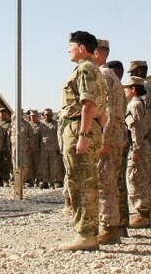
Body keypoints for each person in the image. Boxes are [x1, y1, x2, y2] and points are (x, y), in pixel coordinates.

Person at [58, 30, 106, 251]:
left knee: (82, 183)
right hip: (84, 127)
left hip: (80, 127)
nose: (68, 50)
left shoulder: (86, 69)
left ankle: (86, 235)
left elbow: (88, 104)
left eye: (72, 46)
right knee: (83, 180)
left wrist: (84, 135)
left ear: (82, 48)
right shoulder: (91, 69)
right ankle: (87, 233)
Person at [92, 40, 127, 245]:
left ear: (97, 54)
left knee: (104, 183)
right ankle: (113, 225)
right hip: (115, 138)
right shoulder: (113, 77)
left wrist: (102, 140)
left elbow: (108, 112)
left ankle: (108, 227)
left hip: (107, 139)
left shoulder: (103, 77)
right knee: (112, 182)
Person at [125, 77, 151, 227]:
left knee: (135, 179)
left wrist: (135, 148)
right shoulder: (144, 104)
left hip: (139, 146)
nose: (125, 91)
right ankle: (144, 212)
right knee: (143, 178)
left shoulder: (134, 105)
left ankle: (141, 214)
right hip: (144, 144)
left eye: (127, 88)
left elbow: (135, 128)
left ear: (133, 89)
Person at [36, 108, 61, 188]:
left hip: (54, 149)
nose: (48, 116)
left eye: (49, 115)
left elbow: (59, 136)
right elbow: (38, 137)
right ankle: (45, 182)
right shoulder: (41, 124)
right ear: (44, 115)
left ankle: (52, 182)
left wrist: (59, 148)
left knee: (53, 166)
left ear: (52, 115)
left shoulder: (56, 124)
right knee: (44, 166)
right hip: (44, 149)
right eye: (46, 115)